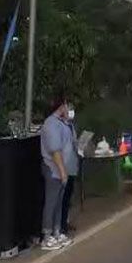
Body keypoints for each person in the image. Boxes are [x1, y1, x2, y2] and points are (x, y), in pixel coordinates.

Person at [39, 95, 76, 251]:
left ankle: (57, 232)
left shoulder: (63, 123)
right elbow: (55, 151)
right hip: (53, 169)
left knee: (59, 202)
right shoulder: (50, 124)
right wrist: (62, 171)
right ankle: (47, 236)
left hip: (62, 169)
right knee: (51, 202)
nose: (68, 108)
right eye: (66, 105)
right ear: (61, 106)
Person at [60, 103, 80, 235]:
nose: (71, 113)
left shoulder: (71, 126)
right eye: (69, 111)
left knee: (68, 197)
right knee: (62, 197)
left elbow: (75, 143)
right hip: (63, 166)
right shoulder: (60, 127)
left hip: (72, 165)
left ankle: (65, 222)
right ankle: (60, 225)